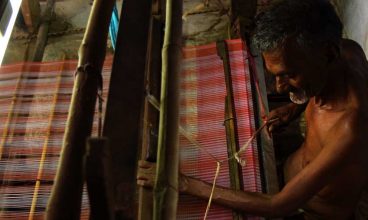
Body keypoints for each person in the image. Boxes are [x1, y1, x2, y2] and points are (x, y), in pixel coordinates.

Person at [138, 0, 368, 219]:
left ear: (329, 54)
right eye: (276, 75)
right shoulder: (349, 52)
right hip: (297, 171)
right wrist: (293, 109)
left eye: (289, 74)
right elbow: (329, 79)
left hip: (315, 210)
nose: (279, 86)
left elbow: (279, 205)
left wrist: (186, 183)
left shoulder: (350, 128)